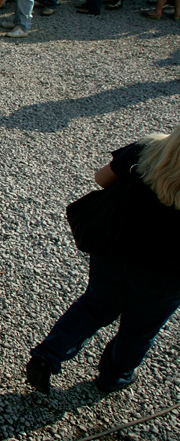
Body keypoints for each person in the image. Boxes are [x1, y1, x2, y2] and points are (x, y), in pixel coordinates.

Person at [26, 126, 180, 395]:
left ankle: (48, 355)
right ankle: (114, 376)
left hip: (116, 248)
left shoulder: (148, 149)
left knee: (94, 307)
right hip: (167, 274)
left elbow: (102, 179)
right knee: (139, 329)